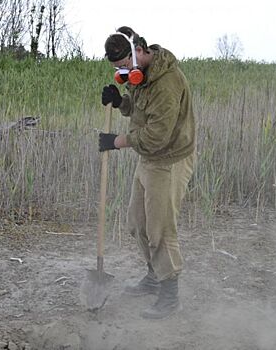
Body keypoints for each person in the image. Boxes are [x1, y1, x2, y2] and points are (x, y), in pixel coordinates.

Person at [99, 26, 196, 319]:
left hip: (169, 160)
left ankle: (170, 296)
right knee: (137, 224)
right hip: (148, 160)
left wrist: (117, 142)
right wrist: (121, 102)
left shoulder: (167, 83)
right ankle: (154, 277)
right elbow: (139, 110)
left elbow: (156, 135)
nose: (124, 72)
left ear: (138, 51)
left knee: (160, 230)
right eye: (118, 69)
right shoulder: (141, 73)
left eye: (125, 66)